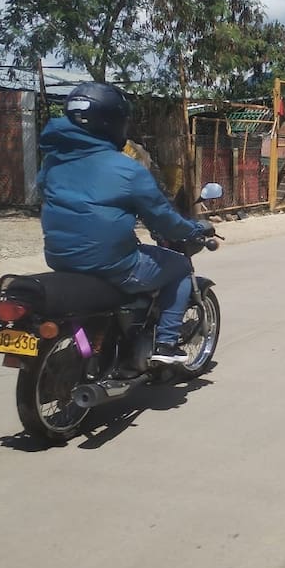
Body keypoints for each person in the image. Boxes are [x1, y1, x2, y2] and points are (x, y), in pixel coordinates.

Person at [37, 81, 211, 367]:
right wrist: (194, 229)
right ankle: (166, 344)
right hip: (113, 264)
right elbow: (163, 218)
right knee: (179, 267)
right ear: (112, 122)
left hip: (60, 258)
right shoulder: (127, 169)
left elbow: (51, 196)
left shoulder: (52, 162)